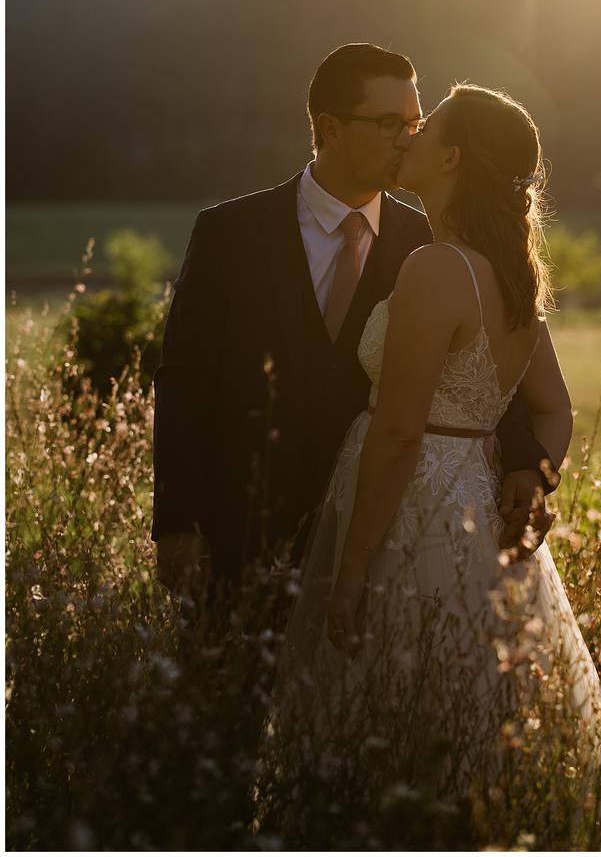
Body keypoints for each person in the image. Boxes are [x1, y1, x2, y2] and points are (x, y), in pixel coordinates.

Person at [272, 84, 601, 833]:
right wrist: (534, 477)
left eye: (423, 127)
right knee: (464, 707)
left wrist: (353, 567)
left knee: (392, 697)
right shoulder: (513, 274)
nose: (410, 135)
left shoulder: (438, 267)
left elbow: (399, 433)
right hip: (479, 502)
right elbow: (555, 409)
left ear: (453, 157)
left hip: (415, 511)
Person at [152, 44, 555, 606]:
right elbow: (184, 381)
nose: (408, 138)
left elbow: (485, 376)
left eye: (415, 123)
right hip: (242, 530)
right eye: (390, 123)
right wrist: (175, 521)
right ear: (329, 128)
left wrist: (526, 465)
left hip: (388, 538)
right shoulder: (229, 233)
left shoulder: (436, 244)